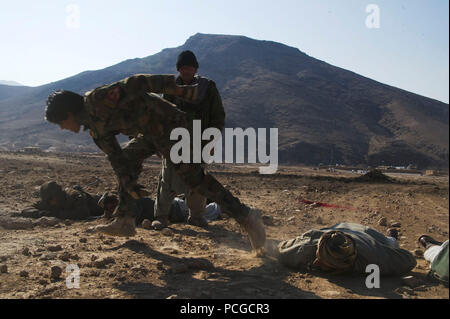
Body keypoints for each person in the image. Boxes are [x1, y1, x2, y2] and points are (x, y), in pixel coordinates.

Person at [44, 74, 265, 253]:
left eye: (61, 122)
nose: (62, 128)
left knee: (193, 178)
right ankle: (126, 221)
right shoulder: (96, 130)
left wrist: (178, 89)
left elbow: (138, 83)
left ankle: (246, 216)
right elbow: (117, 160)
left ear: (69, 113)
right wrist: (128, 183)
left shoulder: (97, 100)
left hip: (171, 124)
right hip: (151, 134)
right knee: (129, 158)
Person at [153, 50, 226, 230]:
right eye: (183, 68)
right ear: (179, 69)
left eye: (190, 67)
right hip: (174, 143)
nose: (186, 71)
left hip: (199, 142)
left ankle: (197, 217)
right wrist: (159, 142)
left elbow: (218, 116)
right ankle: (161, 217)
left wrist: (211, 140)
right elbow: (161, 116)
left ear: (195, 69)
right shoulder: (171, 88)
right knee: (167, 178)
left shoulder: (207, 88)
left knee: (197, 181)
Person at [276, 222, 416, 276]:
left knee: (390, 243)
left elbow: (409, 260)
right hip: (337, 228)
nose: (317, 263)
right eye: (319, 259)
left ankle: (391, 235)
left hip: (365, 234)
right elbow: (279, 249)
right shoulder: (306, 248)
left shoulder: (373, 257)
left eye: (326, 265)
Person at [20, 181, 103, 220]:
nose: (50, 203)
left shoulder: (73, 196)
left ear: (58, 196)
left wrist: (58, 214)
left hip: (101, 204)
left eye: (51, 199)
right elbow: (26, 209)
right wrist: (40, 214)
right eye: (48, 201)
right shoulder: (49, 201)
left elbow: (83, 213)